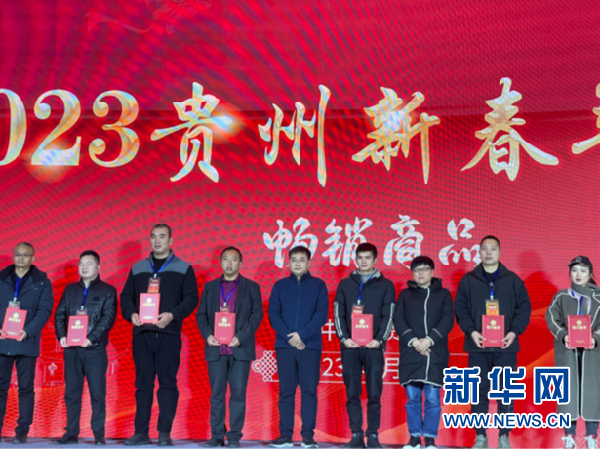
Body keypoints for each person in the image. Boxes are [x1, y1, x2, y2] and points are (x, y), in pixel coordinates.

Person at [120, 224, 199, 446]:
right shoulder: (138, 268)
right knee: (142, 385)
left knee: (167, 383)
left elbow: (191, 298)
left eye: (162, 237)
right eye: (153, 237)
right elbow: (125, 297)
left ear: (171, 241)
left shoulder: (183, 268)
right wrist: (131, 314)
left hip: (168, 334)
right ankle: (141, 433)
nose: (157, 240)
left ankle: (164, 432)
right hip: (142, 334)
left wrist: (173, 315)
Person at [454, 236, 531, 449]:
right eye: (484, 249)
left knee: (506, 391)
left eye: (493, 249)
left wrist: (514, 332)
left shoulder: (513, 280)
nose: (488, 253)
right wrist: (471, 332)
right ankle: (481, 437)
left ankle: (504, 436)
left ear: (500, 252)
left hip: (506, 346)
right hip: (477, 346)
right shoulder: (468, 280)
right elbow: (460, 309)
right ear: (479, 252)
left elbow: (524, 309)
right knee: (478, 392)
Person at [197, 247, 263, 448]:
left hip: (239, 349)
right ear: (220, 262)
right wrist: (208, 335)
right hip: (216, 349)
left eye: (233, 259)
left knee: (238, 395)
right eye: (225, 259)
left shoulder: (252, 287)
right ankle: (217, 436)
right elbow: (201, 315)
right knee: (216, 395)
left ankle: (234, 437)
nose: (229, 263)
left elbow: (257, 315)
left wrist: (240, 337)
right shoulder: (210, 287)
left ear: (240, 263)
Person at [334, 243, 396, 449]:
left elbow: (389, 315)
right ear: (355, 259)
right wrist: (344, 339)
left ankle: (373, 435)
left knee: (374, 393)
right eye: (360, 257)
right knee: (352, 392)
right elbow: (338, 313)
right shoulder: (345, 284)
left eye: (367, 257)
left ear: (375, 260)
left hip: (373, 347)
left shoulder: (386, 285)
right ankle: (356, 434)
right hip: (350, 347)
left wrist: (379, 340)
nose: (363, 261)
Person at [53, 250, 117, 445]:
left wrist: (91, 338)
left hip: (94, 350)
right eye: (81, 264)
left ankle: (98, 434)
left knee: (97, 394)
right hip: (72, 350)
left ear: (98, 267)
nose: (84, 267)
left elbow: (108, 318)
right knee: (71, 394)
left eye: (89, 263)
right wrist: (62, 336)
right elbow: (59, 314)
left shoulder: (108, 290)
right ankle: (71, 433)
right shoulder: (70, 289)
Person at [268, 246, 329, 449]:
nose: (297, 263)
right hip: (285, 346)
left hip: (310, 345)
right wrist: (290, 336)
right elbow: (273, 314)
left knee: (309, 391)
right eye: (294, 259)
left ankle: (307, 436)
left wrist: (302, 335)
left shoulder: (319, 285)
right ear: (289, 262)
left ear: (309, 263)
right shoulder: (280, 285)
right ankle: (285, 435)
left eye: (302, 259)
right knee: (286, 391)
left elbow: (321, 314)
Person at [394, 256, 454, 449]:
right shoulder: (405, 295)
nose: (420, 273)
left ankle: (429, 439)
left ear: (432, 271)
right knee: (412, 400)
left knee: (433, 400)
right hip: (411, 354)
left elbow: (447, 320)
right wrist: (414, 341)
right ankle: (413, 438)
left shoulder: (443, 294)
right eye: (416, 269)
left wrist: (429, 340)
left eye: (424, 269)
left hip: (434, 354)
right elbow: (398, 319)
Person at [0, 242, 53, 444]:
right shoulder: (2, 278)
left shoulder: (42, 282)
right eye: (17, 254)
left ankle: (22, 431)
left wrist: (28, 331)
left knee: (25, 388)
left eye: (25, 254)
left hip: (26, 341)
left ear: (33, 258)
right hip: (3, 340)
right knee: (0, 388)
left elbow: (44, 311)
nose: (20, 257)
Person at [546, 256, 600, 449]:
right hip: (568, 351)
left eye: (583, 270)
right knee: (568, 393)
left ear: (590, 274)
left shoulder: (598, 298)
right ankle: (569, 437)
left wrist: (596, 338)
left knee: (592, 392)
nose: (578, 274)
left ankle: (591, 437)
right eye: (575, 270)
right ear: (570, 273)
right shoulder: (561, 297)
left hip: (592, 352)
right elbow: (551, 318)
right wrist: (563, 335)